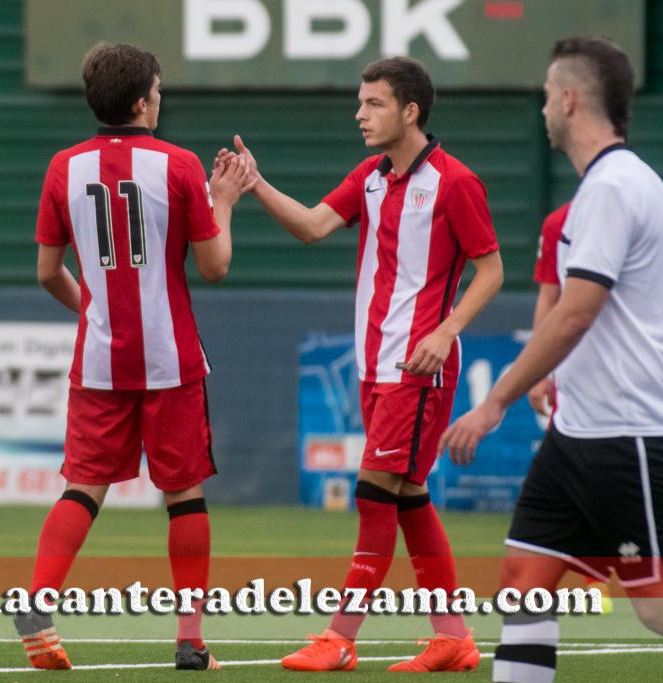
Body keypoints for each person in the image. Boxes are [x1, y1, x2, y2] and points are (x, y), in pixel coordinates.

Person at [439, 37, 663, 682]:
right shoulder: (627, 186)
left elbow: (577, 311)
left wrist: (495, 401)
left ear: (569, 98)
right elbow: (657, 327)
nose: (541, 111)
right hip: (582, 435)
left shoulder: (614, 188)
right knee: (524, 581)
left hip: (620, 434)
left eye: (544, 97)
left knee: (662, 605)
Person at [222, 56, 503, 673]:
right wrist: (256, 184)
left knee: (374, 495)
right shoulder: (371, 177)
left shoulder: (456, 182)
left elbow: (492, 270)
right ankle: (453, 637)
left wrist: (447, 328)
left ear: (410, 111)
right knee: (408, 499)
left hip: (419, 369)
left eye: (373, 104)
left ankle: (340, 636)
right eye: (360, 102)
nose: (359, 114)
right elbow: (314, 227)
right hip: (374, 368)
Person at [12, 42, 251, 672]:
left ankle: (38, 600)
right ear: (143, 101)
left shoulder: (63, 166)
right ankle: (190, 641)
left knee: (82, 487)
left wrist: (96, 313)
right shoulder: (177, 164)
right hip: (170, 359)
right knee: (185, 496)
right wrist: (223, 199)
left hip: (99, 360)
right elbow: (216, 266)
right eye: (160, 91)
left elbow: (46, 272)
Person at [528, 202, 617, 615]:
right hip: (573, 370)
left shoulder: (636, 212)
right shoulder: (557, 223)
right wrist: (539, 370)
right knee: (563, 475)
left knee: (606, 479)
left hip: (621, 369)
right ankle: (584, 581)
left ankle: (598, 577)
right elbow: (550, 297)